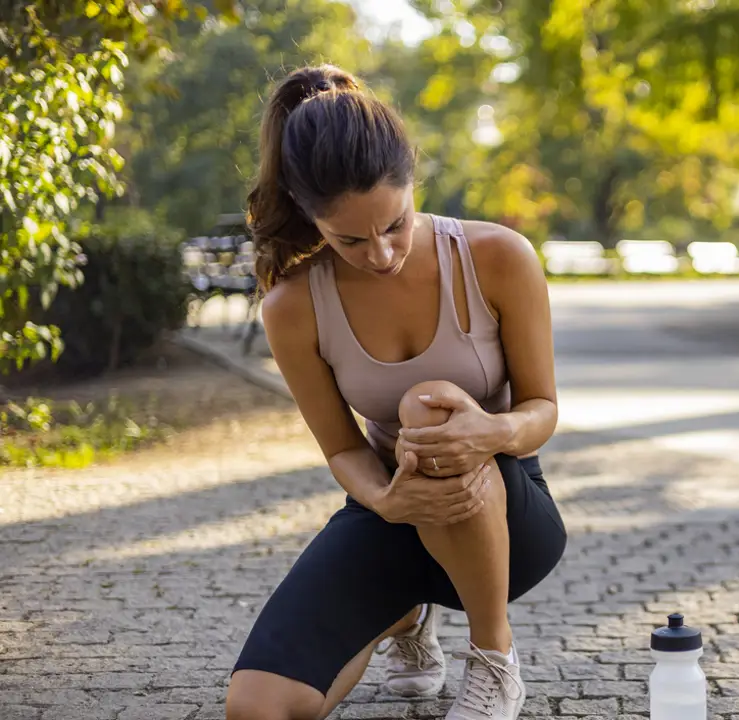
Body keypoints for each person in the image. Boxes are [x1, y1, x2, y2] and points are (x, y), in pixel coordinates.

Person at [224, 64, 567, 720]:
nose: (381, 253)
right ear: (308, 215)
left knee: (428, 406)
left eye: (396, 224)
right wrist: (385, 497)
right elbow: (342, 451)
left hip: (507, 520)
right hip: (393, 513)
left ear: (413, 183)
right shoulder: (294, 307)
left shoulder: (498, 257)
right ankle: (406, 616)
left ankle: (494, 659)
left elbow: (542, 410)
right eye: (350, 238)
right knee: (256, 707)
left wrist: (489, 433)